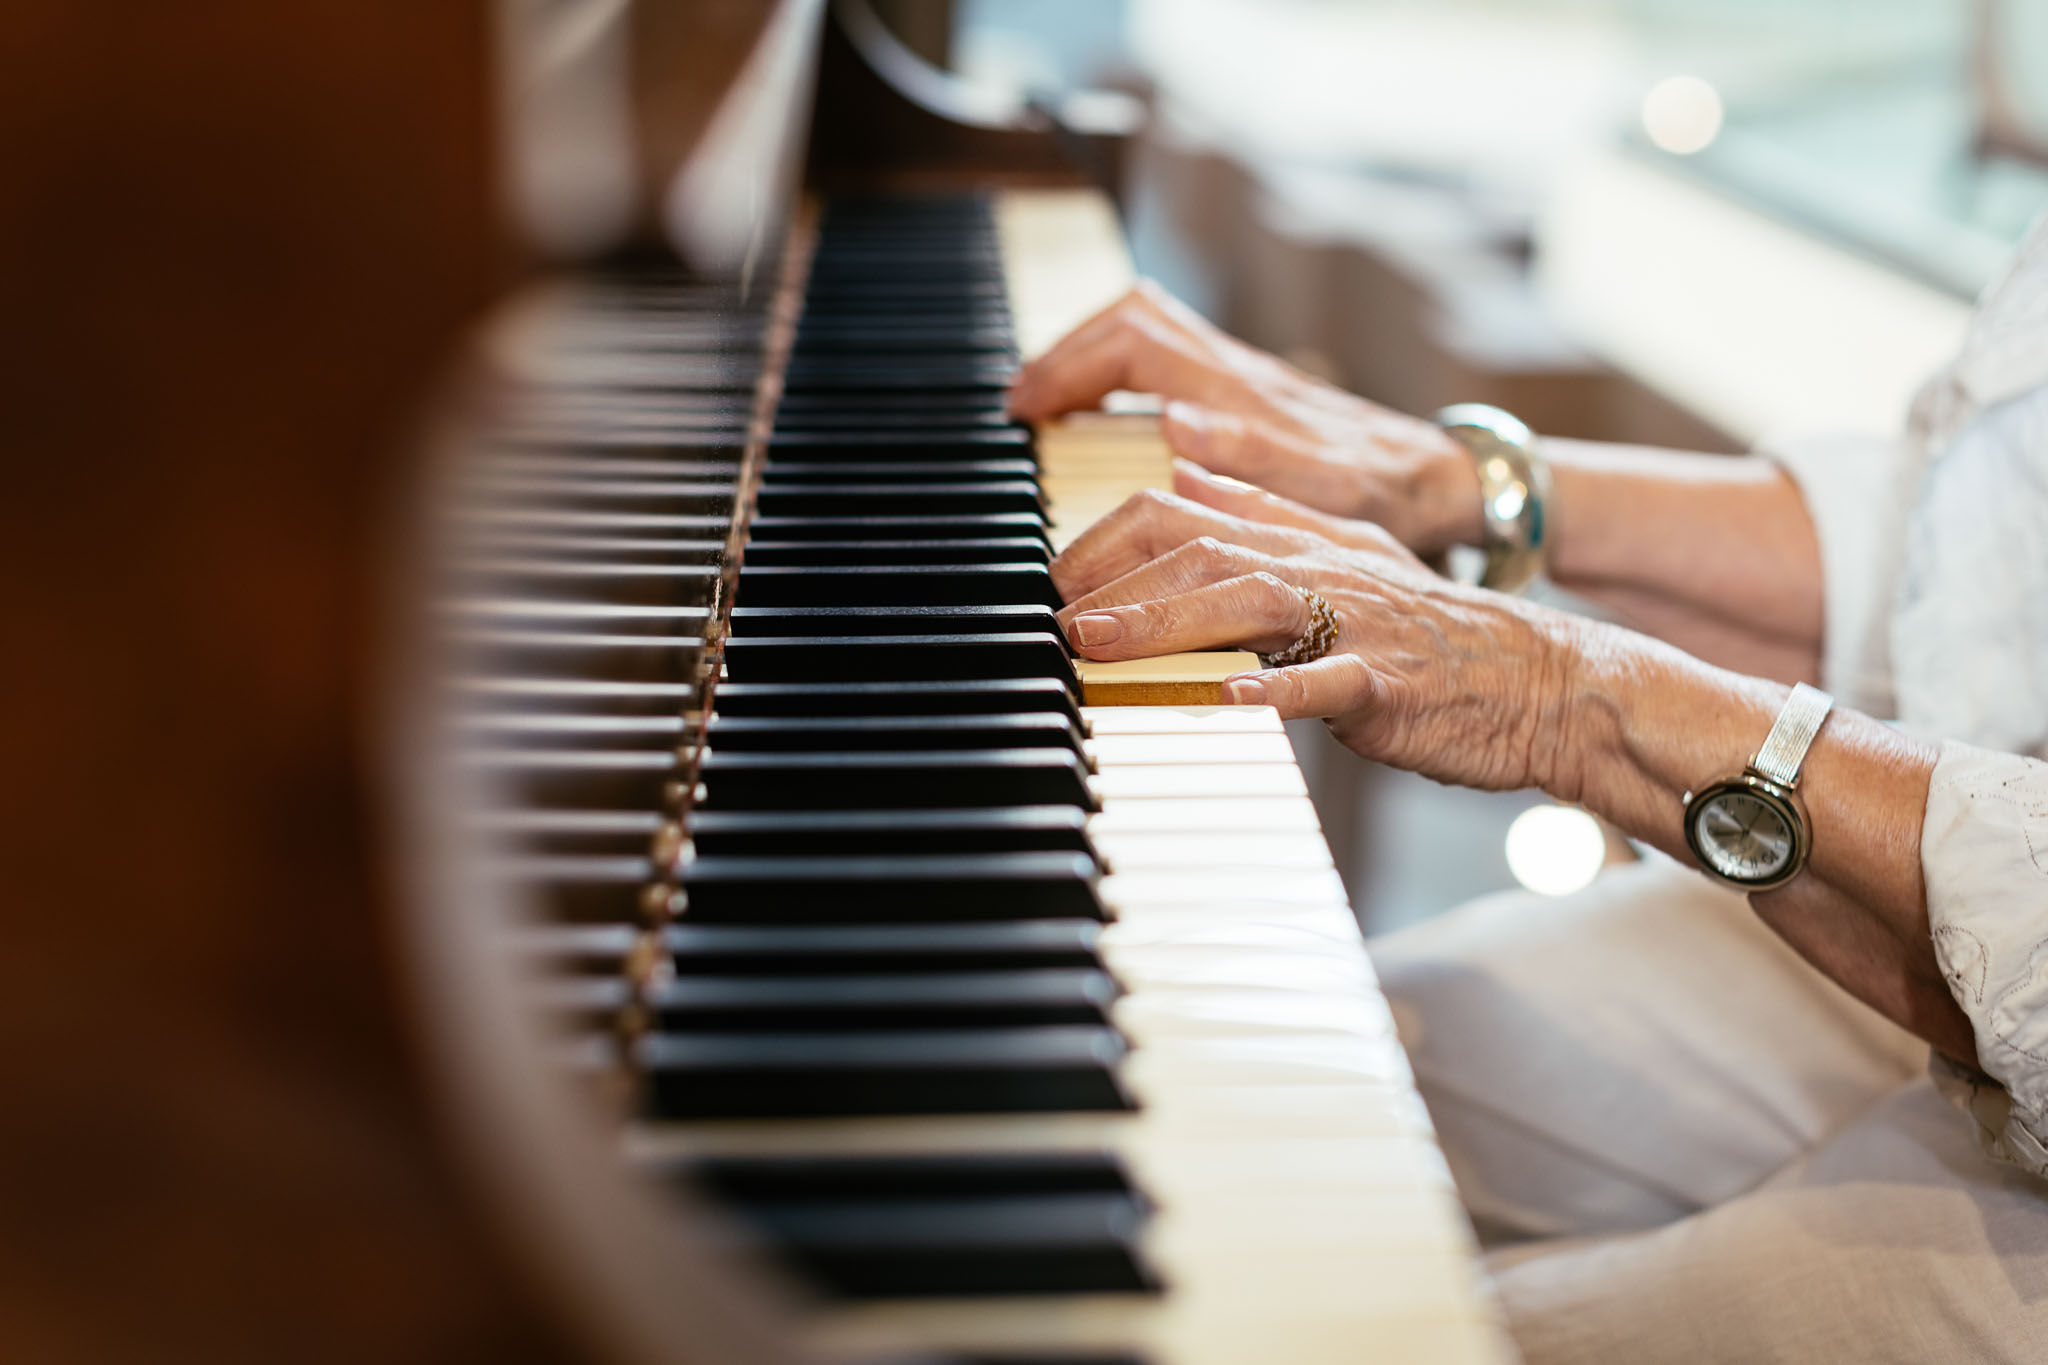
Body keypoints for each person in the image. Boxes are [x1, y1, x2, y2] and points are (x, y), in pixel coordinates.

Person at [1006, 214, 2048, 1363]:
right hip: (1966, 847)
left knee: (1319, 1326)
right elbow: (1979, 574)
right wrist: (1441, 479)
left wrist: (1568, 694)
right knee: (1233, 1085)